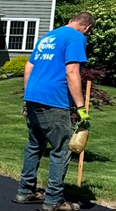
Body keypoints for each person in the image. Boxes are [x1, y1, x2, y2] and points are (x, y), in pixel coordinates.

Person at [12, 12, 94, 211]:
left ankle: (25, 191)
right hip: (54, 100)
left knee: (34, 145)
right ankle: (54, 200)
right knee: (61, 149)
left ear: (70, 21)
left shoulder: (47, 37)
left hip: (33, 97)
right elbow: (72, 71)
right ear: (87, 28)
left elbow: (28, 67)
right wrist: (81, 107)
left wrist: (27, 96)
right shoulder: (76, 37)